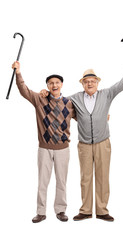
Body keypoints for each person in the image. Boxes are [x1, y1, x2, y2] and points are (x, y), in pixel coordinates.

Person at [40, 59, 123, 221]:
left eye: (93, 81)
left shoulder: (106, 94)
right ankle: (86, 210)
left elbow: (120, 85)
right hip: (84, 144)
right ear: (83, 84)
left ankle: (102, 211)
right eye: (86, 82)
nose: (90, 84)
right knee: (85, 178)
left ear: (97, 83)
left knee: (102, 176)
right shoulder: (75, 99)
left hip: (103, 143)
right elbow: (58, 101)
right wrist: (46, 93)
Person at [12, 61, 76, 223]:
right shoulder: (39, 99)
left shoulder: (69, 103)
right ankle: (41, 212)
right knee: (43, 181)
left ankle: (61, 210)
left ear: (61, 84)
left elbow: (84, 116)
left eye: (57, 82)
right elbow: (23, 90)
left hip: (63, 148)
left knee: (62, 181)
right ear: (47, 85)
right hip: (44, 148)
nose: (54, 85)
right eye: (50, 83)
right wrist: (18, 73)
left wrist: (103, 116)